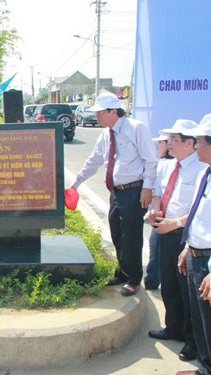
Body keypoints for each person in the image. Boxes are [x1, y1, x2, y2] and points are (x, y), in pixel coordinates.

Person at [69, 91, 157, 296]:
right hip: (116, 191)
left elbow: (150, 160)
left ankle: (133, 278)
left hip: (134, 190)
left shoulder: (136, 128)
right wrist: (75, 184)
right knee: (117, 232)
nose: (97, 117)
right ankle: (122, 271)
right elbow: (94, 161)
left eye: (100, 113)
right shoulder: (105, 134)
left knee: (131, 235)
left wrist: (148, 188)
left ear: (113, 111)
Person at [145, 119, 206, 363]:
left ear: (191, 143)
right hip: (164, 231)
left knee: (187, 291)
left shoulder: (201, 169)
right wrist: (155, 213)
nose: (169, 144)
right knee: (168, 284)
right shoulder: (167, 166)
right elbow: (159, 194)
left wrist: (176, 223)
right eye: (168, 139)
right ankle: (173, 327)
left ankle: (191, 341)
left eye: (175, 140)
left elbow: (196, 209)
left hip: (184, 234)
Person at [176, 116, 211, 375]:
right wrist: (189, 247)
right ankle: (204, 367)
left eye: (199, 142)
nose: (196, 147)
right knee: (200, 320)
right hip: (196, 255)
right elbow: (200, 217)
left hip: (208, 262)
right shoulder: (206, 173)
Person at [144, 134, 174, 290]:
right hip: (161, 218)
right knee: (155, 247)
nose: (158, 146)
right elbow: (158, 193)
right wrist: (156, 214)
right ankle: (152, 280)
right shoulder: (162, 163)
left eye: (160, 143)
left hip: (174, 221)